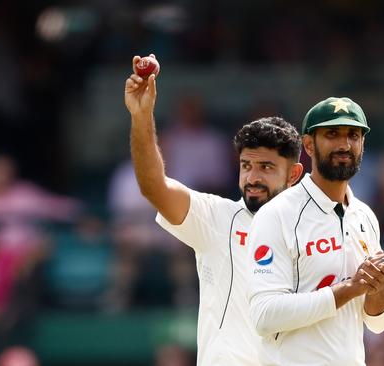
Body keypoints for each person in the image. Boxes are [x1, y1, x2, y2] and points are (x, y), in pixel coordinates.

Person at [124, 54, 303, 365]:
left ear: (293, 175)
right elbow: (154, 187)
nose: (253, 177)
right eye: (246, 165)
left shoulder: (316, 231)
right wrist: (142, 117)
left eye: (266, 167)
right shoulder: (216, 217)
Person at [247, 97, 384, 365]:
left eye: (353, 135)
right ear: (309, 145)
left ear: (362, 144)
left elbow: (378, 323)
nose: (344, 145)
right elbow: (264, 316)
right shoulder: (277, 214)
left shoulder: (365, 216)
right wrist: (350, 288)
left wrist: (378, 287)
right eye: (332, 134)